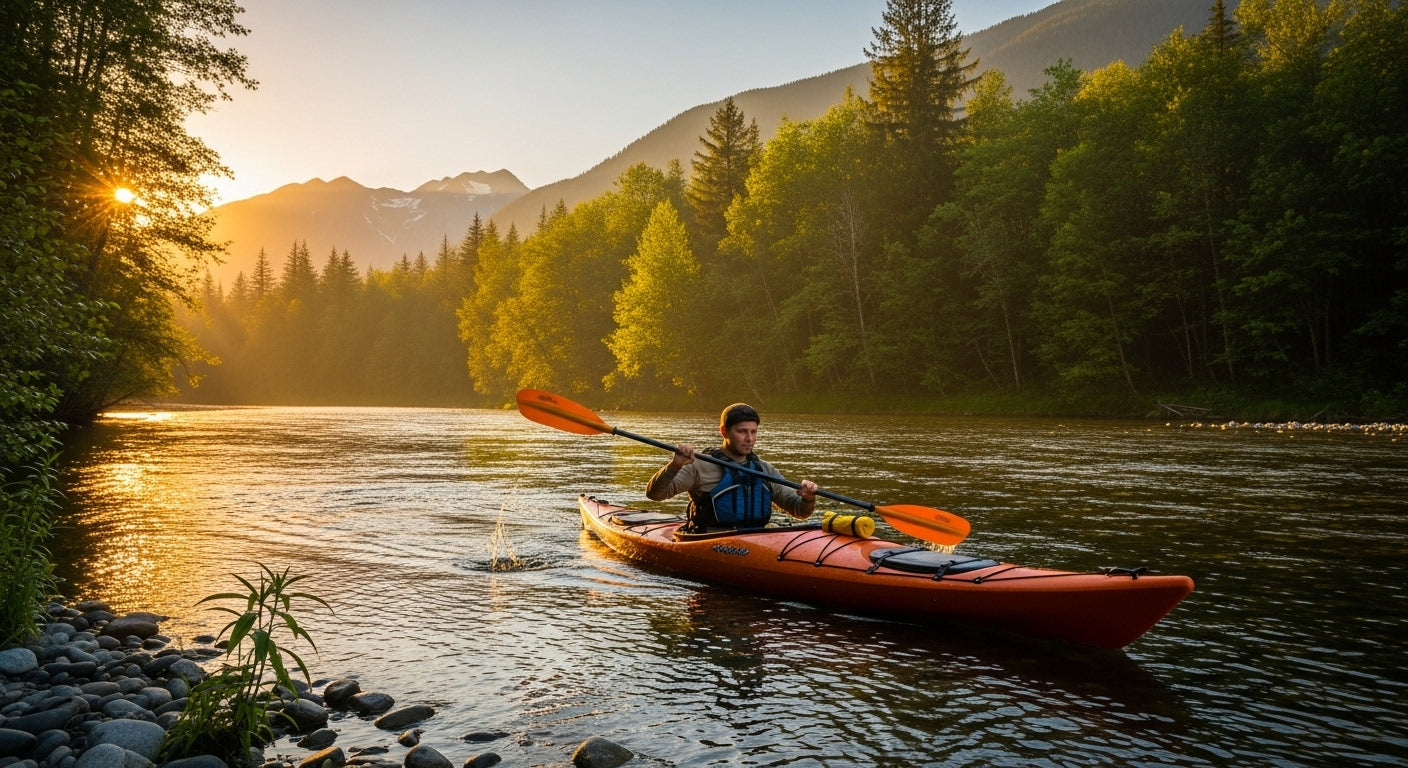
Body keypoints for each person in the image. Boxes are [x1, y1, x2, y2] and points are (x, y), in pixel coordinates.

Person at [646, 402, 817, 533]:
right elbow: (655, 494)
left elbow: (799, 511)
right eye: (742, 431)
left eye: (753, 432)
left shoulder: (765, 469)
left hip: (756, 540)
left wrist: (808, 499)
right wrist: (674, 465)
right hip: (709, 540)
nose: (749, 438)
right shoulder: (699, 466)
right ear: (724, 432)